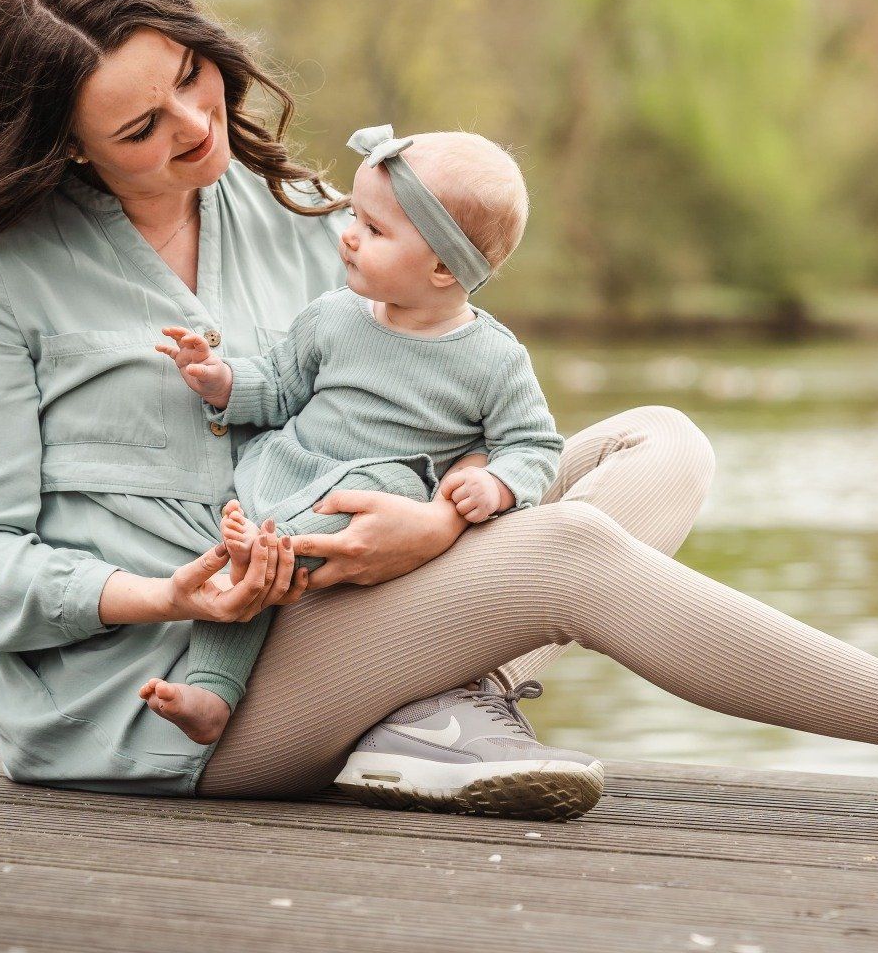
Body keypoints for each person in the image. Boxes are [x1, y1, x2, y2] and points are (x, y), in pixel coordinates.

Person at [0, 0, 878, 826]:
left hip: (342, 582)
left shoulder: (285, 212)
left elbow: (424, 380)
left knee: (663, 445)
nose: (198, 126)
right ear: (63, 145)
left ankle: (427, 707)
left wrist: (440, 518)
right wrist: (166, 591)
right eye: (141, 128)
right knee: (566, 552)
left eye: (191, 76)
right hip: (169, 695)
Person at [137, 123, 565, 769]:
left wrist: (498, 483)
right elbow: (278, 385)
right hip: (290, 472)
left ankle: (256, 585)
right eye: (354, 217)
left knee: (278, 544)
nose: (348, 236)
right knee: (245, 558)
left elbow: (533, 444)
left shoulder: (493, 360)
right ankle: (212, 695)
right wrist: (220, 379)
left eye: (374, 229)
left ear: (443, 267)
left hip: (378, 495)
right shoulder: (334, 315)